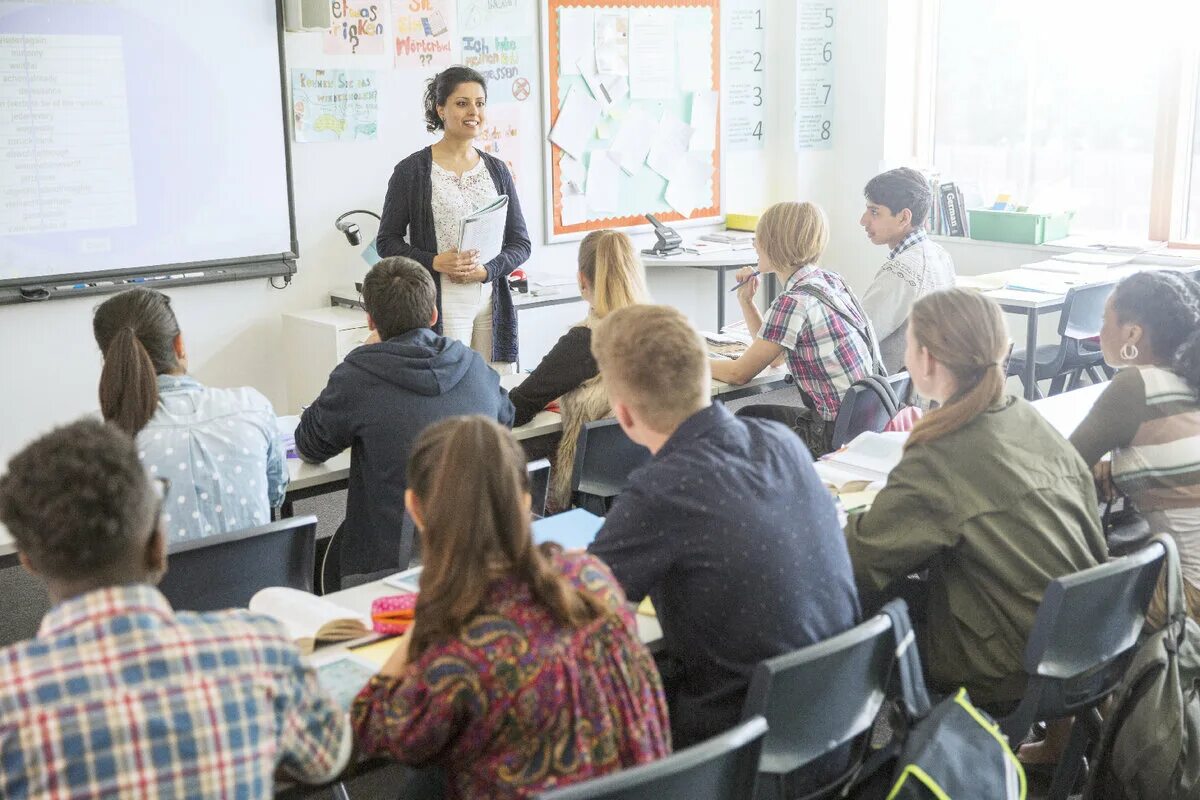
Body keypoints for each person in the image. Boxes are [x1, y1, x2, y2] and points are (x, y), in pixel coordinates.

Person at [0, 419, 350, 797]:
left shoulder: (10, 698)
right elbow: (328, 758)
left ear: (29, 561)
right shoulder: (261, 649)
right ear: (158, 543)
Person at [587, 304, 859, 759]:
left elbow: (579, 608)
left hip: (736, 750)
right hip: (838, 725)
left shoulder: (661, 491)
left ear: (624, 415)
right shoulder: (783, 443)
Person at [352, 416, 670, 800]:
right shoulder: (593, 579)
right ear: (525, 500)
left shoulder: (457, 647)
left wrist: (427, 615)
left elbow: (372, 726)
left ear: (414, 509)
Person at [844, 288, 1106, 708]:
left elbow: (860, 561)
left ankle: (875, 757)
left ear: (926, 359)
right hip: (1085, 643)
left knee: (857, 606)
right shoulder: (1023, 415)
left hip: (1006, 667)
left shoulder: (942, 453)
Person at [295, 257, 515, 589]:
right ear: (434, 315)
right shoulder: (471, 363)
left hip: (386, 573)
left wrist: (359, 356)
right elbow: (506, 419)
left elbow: (309, 445)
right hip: (478, 555)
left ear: (370, 321)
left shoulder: (358, 375)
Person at [92, 287, 287, 541]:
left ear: (110, 362)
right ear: (179, 345)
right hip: (261, 579)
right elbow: (275, 495)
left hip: (159, 581)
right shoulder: (252, 407)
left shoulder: (100, 443)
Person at [376, 65, 531, 370]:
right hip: (442, 300)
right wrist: (434, 261)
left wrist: (488, 270)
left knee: (494, 390)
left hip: (491, 299)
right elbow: (386, 242)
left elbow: (520, 243)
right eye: (462, 103)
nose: (474, 111)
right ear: (441, 109)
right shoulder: (412, 171)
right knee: (450, 386)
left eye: (480, 103)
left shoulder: (497, 170)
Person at [1069, 270, 1200, 626]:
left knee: (1049, 605)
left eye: (1103, 320)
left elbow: (1061, 468)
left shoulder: (1135, 385)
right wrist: (1118, 456)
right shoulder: (1188, 376)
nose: (1099, 332)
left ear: (1132, 334)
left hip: (1188, 598)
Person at [710, 201, 883, 457]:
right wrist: (747, 301)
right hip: (865, 425)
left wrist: (688, 360)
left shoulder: (794, 301)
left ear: (775, 243)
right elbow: (777, 357)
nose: (754, 245)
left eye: (759, 238)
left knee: (743, 423)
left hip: (829, 436)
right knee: (751, 415)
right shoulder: (830, 281)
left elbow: (738, 374)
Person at [508, 229, 650, 509]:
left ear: (582, 280)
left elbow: (517, 408)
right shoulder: (663, 332)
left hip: (592, 481)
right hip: (651, 476)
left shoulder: (584, 342)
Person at [858, 167, 956, 373]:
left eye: (874, 211)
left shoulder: (902, 270)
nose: (863, 220)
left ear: (904, 218)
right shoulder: (940, 255)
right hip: (925, 390)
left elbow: (858, 336)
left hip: (890, 396)